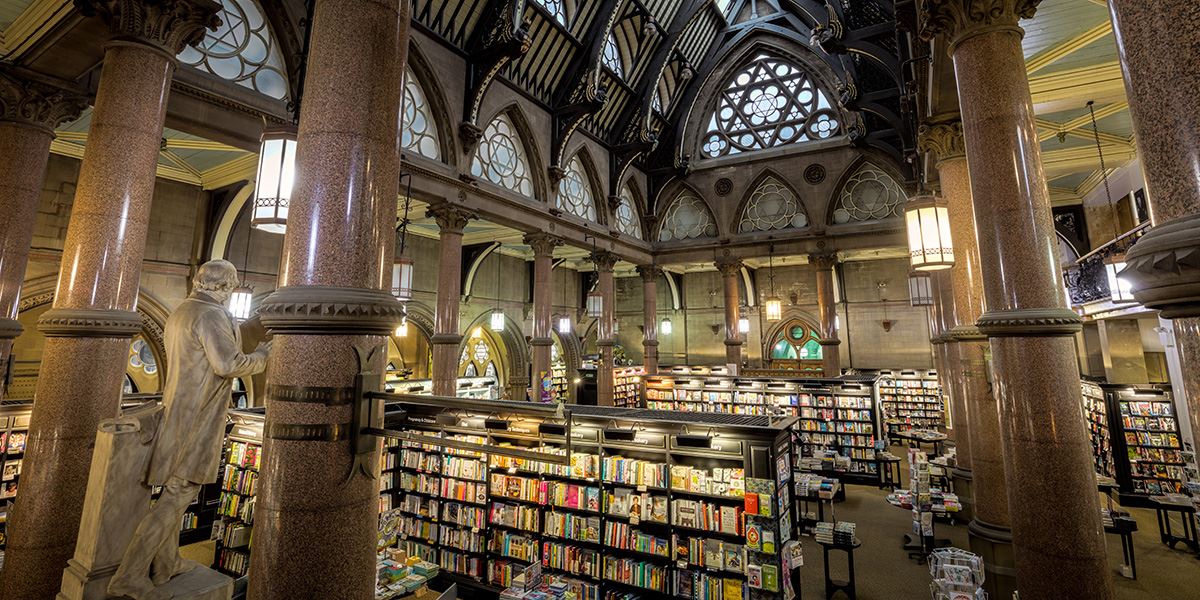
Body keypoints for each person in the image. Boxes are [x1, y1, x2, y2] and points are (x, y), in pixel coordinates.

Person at [109, 260, 270, 599]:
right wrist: (262, 355)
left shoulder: (182, 310)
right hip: (197, 419)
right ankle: (130, 573)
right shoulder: (211, 315)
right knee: (177, 495)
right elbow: (228, 364)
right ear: (224, 287)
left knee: (174, 494)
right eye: (232, 285)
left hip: (178, 414)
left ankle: (166, 563)